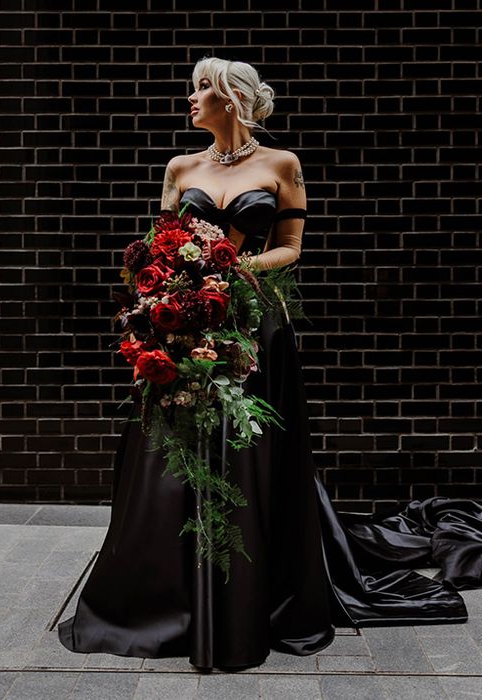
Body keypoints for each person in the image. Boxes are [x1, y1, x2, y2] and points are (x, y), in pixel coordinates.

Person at [57, 57, 482, 673]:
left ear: (231, 99)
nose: (192, 99)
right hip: (188, 320)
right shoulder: (181, 168)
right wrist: (164, 294)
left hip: (258, 323)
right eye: (193, 88)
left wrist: (231, 268)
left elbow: (290, 247)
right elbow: (158, 246)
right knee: (173, 446)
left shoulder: (281, 166)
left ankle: (254, 582)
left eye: (202, 89)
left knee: (250, 450)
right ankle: (163, 589)